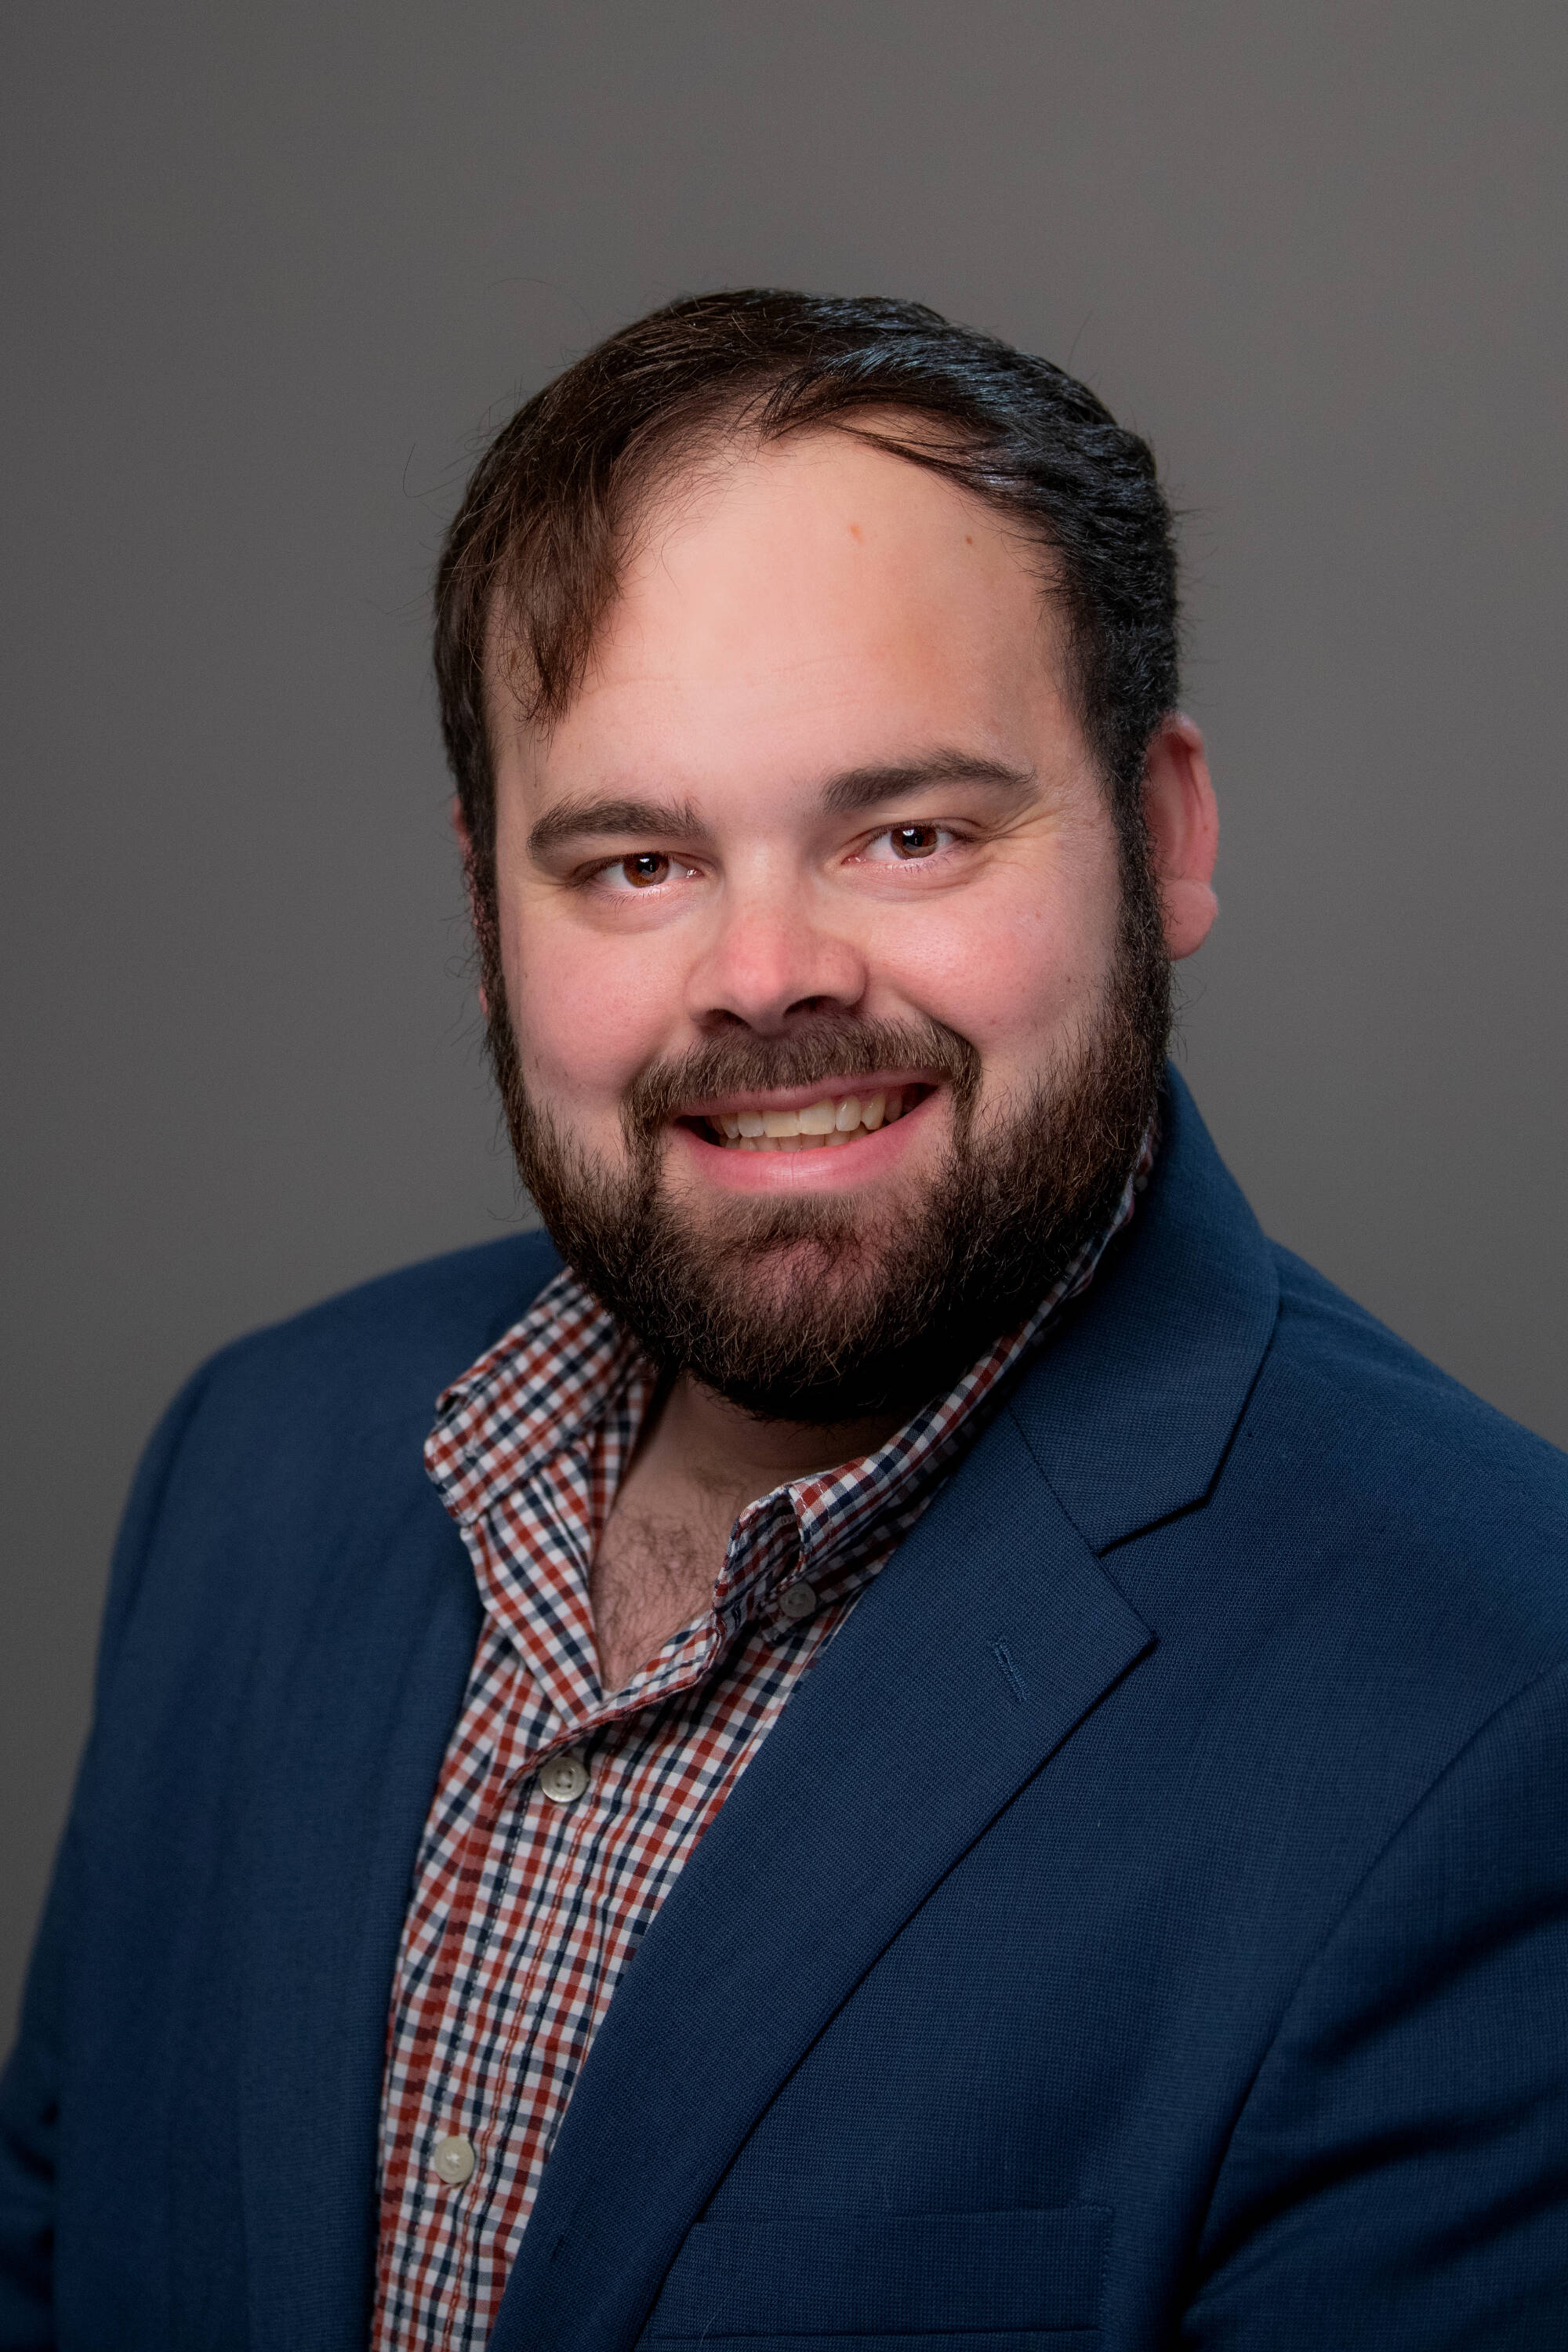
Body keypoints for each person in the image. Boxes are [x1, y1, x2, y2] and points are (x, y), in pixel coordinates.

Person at [2, 289, 1565, 2352]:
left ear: (1163, 836)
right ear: (488, 917)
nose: (763, 975)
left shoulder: (1499, 1706)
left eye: (907, 833)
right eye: (635, 862)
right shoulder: (257, 1465)